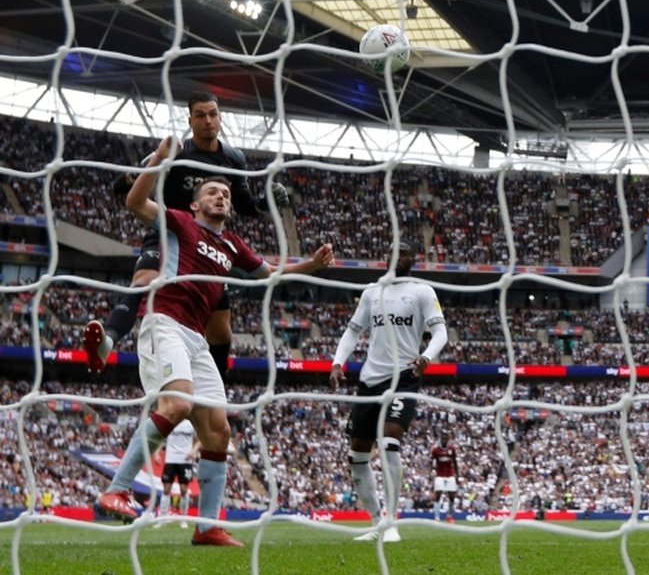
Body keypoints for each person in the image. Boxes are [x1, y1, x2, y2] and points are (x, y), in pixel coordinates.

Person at [96, 136, 333, 547]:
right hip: (164, 321)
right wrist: (158, 161)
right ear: (195, 203)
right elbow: (135, 203)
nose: (222, 197)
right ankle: (114, 491)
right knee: (177, 404)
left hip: (196, 339)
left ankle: (206, 527)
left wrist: (310, 264)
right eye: (212, 192)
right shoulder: (178, 222)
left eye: (225, 193)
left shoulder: (232, 245)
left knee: (219, 430)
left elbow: (270, 275)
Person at [82, 90, 290, 376]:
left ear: (220, 118)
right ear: (190, 120)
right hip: (169, 231)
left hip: (207, 245)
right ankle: (108, 341)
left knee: (221, 333)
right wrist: (154, 160)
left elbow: (245, 207)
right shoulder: (177, 152)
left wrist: (266, 204)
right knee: (144, 280)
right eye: (201, 115)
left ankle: (213, 397)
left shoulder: (234, 159)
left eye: (213, 114)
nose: (208, 120)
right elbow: (121, 185)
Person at [329, 240, 448, 543]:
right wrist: (337, 363)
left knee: (389, 441)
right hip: (370, 380)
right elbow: (353, 331)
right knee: (357, 455)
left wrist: (427, 357)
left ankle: (393, 521)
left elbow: (440, 332)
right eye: (394, 251)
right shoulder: (371, 293)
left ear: (413, 259)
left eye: (405, 252)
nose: (399, 256)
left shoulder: (423, 292)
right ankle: (376, 522)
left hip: (404, 377)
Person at [157, 418, 199, 528]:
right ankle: (162, 518)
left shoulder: (191, 424)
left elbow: (199, 440)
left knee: (184, 490)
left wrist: (193, 451)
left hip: (185, 460)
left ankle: (183, 519)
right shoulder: (170, 422)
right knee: (166, 488)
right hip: (170, 459)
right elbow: (162, 439)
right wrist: (156, 452)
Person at [431, 433, 459, 522]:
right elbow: (431, 461)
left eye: (446, 438)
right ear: (440, 439)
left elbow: (455, 462)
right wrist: (431, 470)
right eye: (442, 438)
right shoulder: (435, 450)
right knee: (438, 494)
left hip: (450, 474)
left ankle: (449, 515)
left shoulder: (452, 449)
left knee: (452, 496)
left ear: (448, 439)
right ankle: (436, 516)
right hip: (439, 475)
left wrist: (457, 474)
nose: (444, 440)